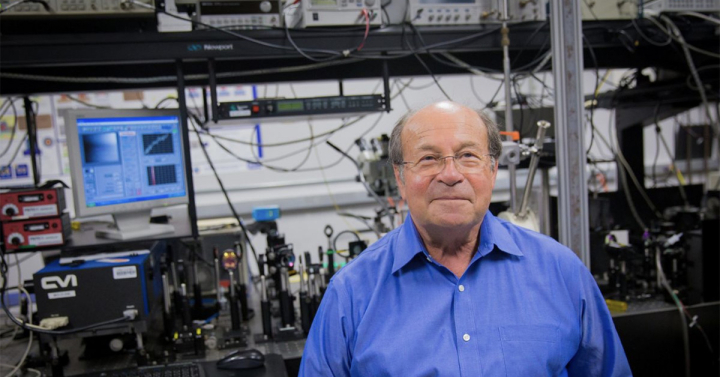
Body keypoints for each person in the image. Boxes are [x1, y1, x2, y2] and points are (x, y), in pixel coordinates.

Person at [299, 101, 631, 376]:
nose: (451, 174)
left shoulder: (561, 272)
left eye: (468, 156)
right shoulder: (351, 294)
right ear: (400, 177)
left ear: (492, 169)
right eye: (429, 158)